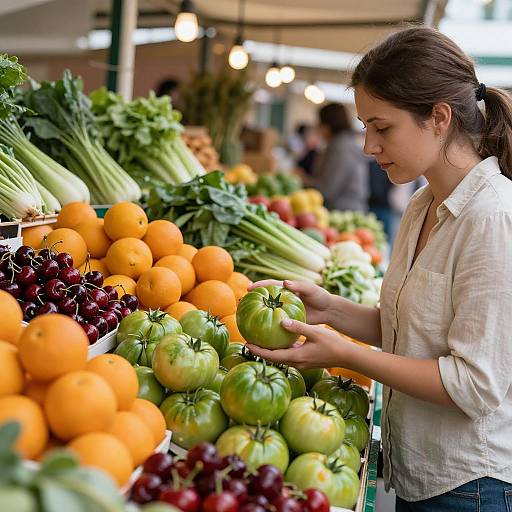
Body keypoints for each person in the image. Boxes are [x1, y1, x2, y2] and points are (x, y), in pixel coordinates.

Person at [248, 26, 512, 512]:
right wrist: (329, 310)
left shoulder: (492, 217)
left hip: (471, 489)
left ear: (439, 117)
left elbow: (474, 386)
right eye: (365, 127)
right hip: (420, 475)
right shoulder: (420, 205)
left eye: (381, 127)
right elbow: (406, 330)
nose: (368, 146)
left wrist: (346, 353)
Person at [302, 103, 369, 212]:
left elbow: (327, 190)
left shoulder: (340, 147)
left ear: (327, 125)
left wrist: (304, 180)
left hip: (343, 212)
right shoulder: (345, 142)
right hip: (349, 209)